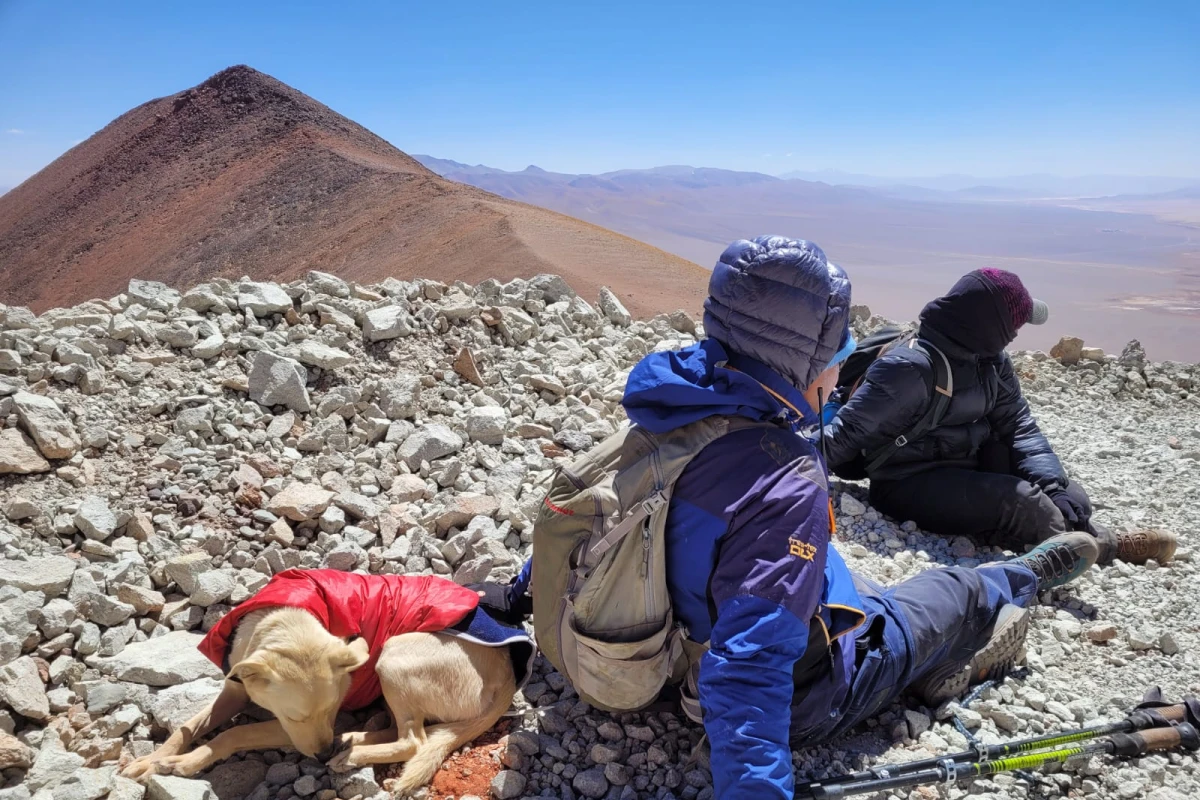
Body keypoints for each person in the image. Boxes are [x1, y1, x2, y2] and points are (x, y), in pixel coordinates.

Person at [474, 237, 1100, 800]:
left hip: (636, 652)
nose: (841, 371)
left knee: (814, 568)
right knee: (949, 592)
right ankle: (1018, 581)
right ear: (799, 361)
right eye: (837, 352)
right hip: (785, 690)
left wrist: (514, 595)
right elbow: (750, 667)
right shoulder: (783, 477)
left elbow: (613, 517)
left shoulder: (669, 408)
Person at [822, 268, 1176, 565]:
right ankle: (1106, 548)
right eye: (1016, 323)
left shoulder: (990, 359)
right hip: (908, 482)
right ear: (989, 326)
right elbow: (845, 434)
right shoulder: (909, 368)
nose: (1019, 332)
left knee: (1074, 500)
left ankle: (1023, 533)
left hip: (966, 467)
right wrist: (786, 471)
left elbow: (1019, 426)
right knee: (1023, 504)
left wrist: (1053, 484)